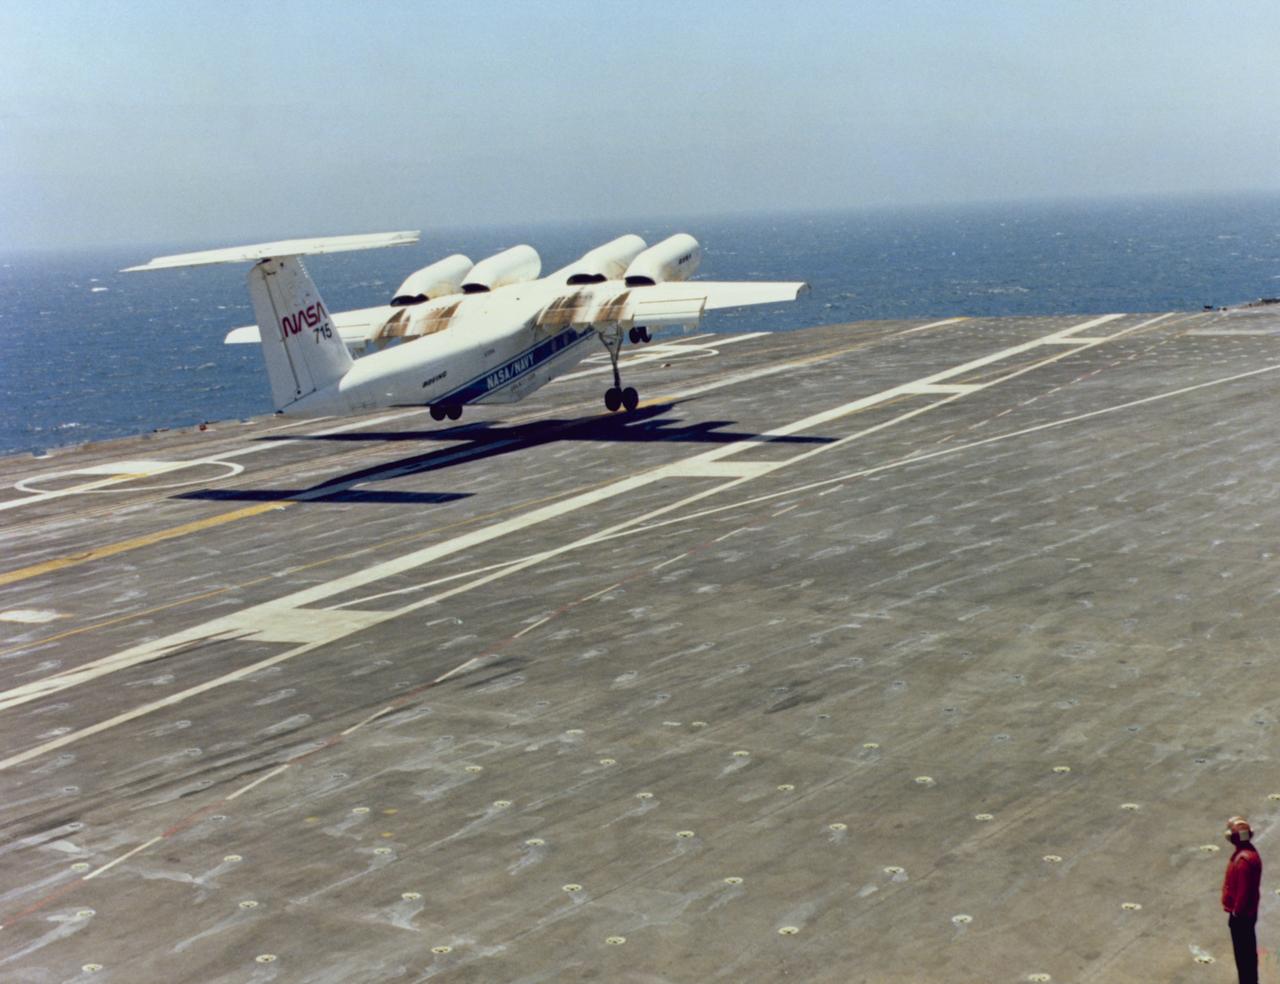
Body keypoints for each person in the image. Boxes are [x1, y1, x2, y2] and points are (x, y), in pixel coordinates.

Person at [1222, 815, 1263, 984]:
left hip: (1241, 916)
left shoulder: (1242, 861)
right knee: (1247, 954)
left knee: (1243, 955)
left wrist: (1236, 912)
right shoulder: (1250, 853)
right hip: (1247, 913)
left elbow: (1244, 892)